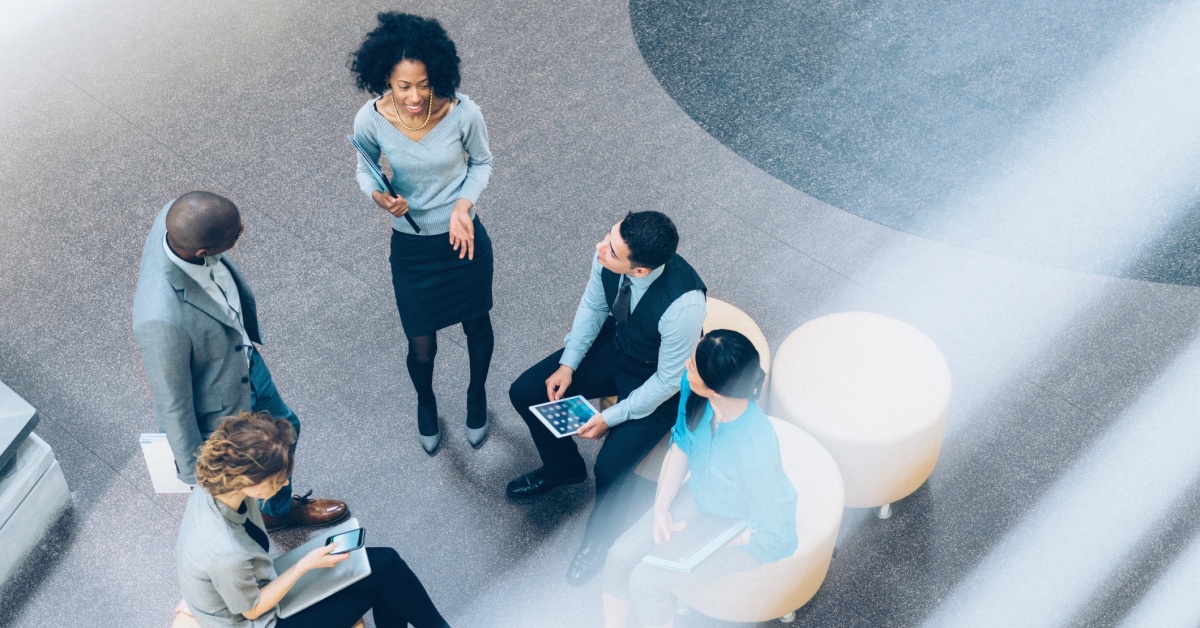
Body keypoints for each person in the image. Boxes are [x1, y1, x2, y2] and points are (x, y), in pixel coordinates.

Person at [506, 211, 707, 586]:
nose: (600, 247)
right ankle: (563, 467)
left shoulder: (684, 306)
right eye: (607, 237)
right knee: (526, 390)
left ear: (640, 271)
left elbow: (667, 381)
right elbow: (594, 309)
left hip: (654, 380)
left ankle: (600, 541)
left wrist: (610, 419)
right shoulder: (606, 255)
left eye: (612, 250)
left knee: (610, 468)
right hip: (616, 349)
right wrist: (568, 364)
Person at [132, 192, 347, 530]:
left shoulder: (178, 218)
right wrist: (196, 474)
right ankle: (266, 517)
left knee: (287, 430)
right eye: (235, 234)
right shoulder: (160, 319)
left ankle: (275, 509)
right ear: (202, 251)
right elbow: (172, 402)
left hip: (246, 363)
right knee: (255, 466)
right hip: (223, 405)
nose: (243, 230)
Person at [349, 12, 495, 454]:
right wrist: (380, 198)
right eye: (403, 86)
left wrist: (463, 207)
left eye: (424, 83)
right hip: (411, 248)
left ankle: (476, 395)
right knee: (421, 344)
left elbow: (482, 163)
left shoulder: (464, 112)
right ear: (385, 81)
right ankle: (425, 401)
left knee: (477, 325)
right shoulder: (370, 120)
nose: (414, 96)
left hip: (463, 237)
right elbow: (365, 170)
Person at [175, 411, 450, 628]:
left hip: (251, 584)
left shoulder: (215, 482)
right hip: (260, 620)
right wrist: (304, 565)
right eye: (278, 481)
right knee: (382, 584)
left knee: (385, 564)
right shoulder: (226, 553)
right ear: (248, 480)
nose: (283, 486)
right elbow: (253, 609)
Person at [600, 330, 798, 628]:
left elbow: (771, 531)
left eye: (692, 364)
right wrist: (661, 508)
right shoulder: (693, 390)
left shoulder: (755, 446)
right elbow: (681, 443)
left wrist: (696, 541)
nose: (685, 366)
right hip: (703, 499)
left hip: (745, 528)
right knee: (617, 557)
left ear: (716, 389)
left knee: (646, 582)